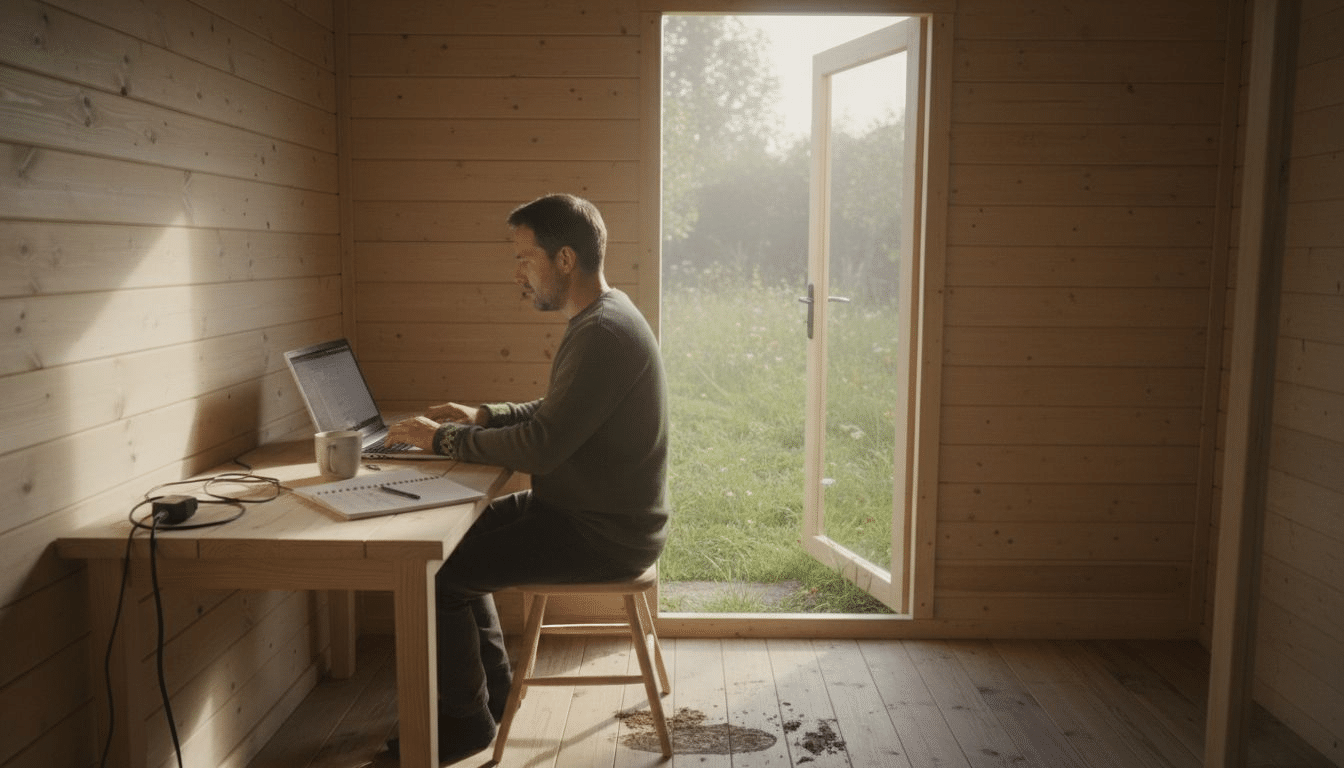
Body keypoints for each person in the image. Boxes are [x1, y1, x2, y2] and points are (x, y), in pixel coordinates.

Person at [384, 193, 670, 763]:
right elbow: (558, 410)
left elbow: (542, 446)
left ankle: (464, 725)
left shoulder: (602, 333)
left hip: (601, 534)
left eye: (524, 257)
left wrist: (439, 440)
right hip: (586, 514)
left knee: (435, 578)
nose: (517, 272)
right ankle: (488, 698)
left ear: (565, 259)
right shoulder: (605, 317)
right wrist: (483, 415)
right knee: (454, 548)